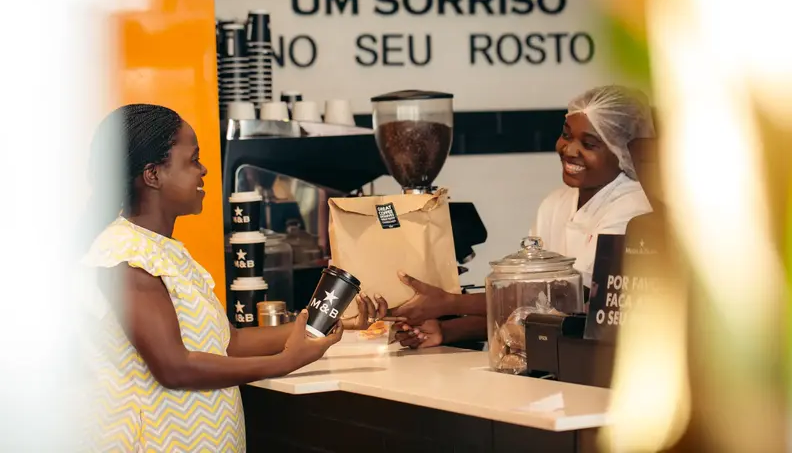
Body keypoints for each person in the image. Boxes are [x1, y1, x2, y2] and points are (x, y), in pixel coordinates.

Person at [80, 104, 382, 452]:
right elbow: (174, 367)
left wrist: (326, 322)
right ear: (153, 175)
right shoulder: (125, 254)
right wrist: (285, 362)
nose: (204, 169)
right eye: (192, 160)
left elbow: (228, 343)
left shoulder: (164, 251)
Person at [389, 85, 656, 349]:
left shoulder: (633, 207)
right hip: (555, 355)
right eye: (566, 135)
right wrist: (445, 331)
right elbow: (530, 309)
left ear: (623, 153)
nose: (569, 150)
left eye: (589, 144)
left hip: (601, 365)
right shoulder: (555, 203)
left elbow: (572, 300)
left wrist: (451, 302)